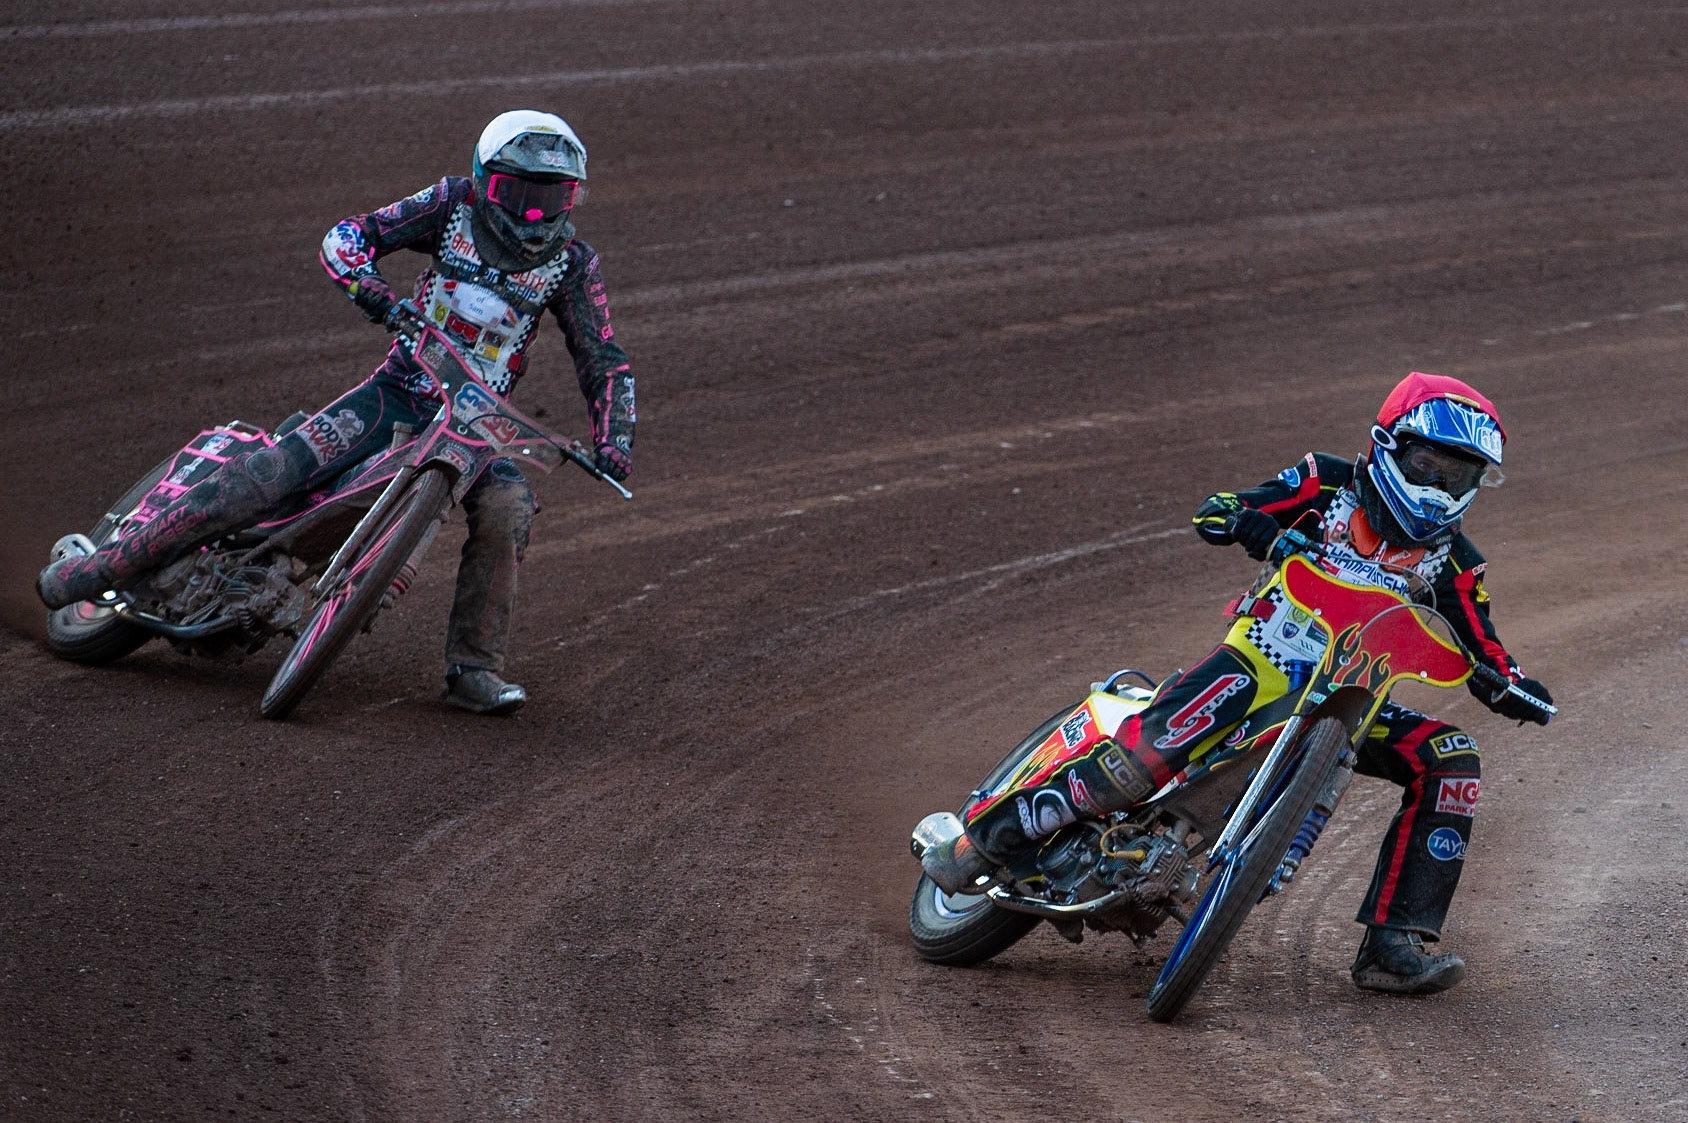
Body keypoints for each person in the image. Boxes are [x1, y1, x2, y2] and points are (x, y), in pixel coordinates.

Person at [923, 372, 1553, 994]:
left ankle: (1392, 946)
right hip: (1257, 662)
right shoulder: (1327, 481)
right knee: (1139, 766)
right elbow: (1219, 508)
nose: (1441, 488)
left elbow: (1482, 643)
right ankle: (980, 843)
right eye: (1429, 464)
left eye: (1460, 475)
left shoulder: (1457, 562)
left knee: (1452, 758)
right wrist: (1250, 525)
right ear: (1387, 445)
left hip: (1352, 701)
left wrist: (1510, 683)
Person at [37, 110, 635, 716]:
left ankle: (474, 671)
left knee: (510, 508)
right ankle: (103, 567)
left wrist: (615, 440)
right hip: (402, 388)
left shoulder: (574, 264)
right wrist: (374, 292)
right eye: (520, 195)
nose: (534, 214)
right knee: (271, 474)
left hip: (480, 429)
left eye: (552, 197)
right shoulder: (451, 204)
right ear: (484, 181)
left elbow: (603, 357)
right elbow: (348, 237)